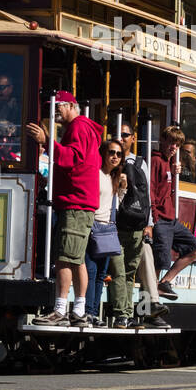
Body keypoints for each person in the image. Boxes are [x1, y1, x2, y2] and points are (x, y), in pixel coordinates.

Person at [26, 91, 102, 327]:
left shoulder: (78, 127)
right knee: (76, 259)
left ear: (71, 105)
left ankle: (60, 309)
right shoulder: (84, 127)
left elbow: (71, 158)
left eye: (57, 106)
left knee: (64, 258)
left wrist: (45, 141)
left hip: (75, 203)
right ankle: (78, 311)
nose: (54, 111)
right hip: (79, 202)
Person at [108, 122, 168, 328]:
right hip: (113, 224)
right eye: (117, 134)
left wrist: (148, 223)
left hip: (134, 223)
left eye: (125, 134)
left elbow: (146, 195)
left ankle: (147, 305)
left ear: (133, 138)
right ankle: (144, 306)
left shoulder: (139, 163)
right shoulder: (109, 158)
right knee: (122, 269)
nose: (121, 138)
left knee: (144, 252)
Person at [151, 125, 196, 301]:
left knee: (194, 248)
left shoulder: (170, 163)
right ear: (162, 141)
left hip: (171, 219)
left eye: (177, 144)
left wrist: (174, 174)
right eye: (171, 142)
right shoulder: (156, 161)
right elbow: (151, 191)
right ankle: (150, 301)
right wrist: (153, 219)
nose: (174, 147)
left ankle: (165, 282)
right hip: (160, 219)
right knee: (159, 261)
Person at [84, 140, 127, 327]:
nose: (115, 157)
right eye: (111, 152)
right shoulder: (96, 174)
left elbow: (116, 204)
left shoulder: (114, 178)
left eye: (119, 154)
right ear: (103, 153)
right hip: (93, 227)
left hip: (107, 230)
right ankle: (87, 312)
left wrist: (123, 188)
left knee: (101, 273)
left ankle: (93, 313)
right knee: (91, 271)